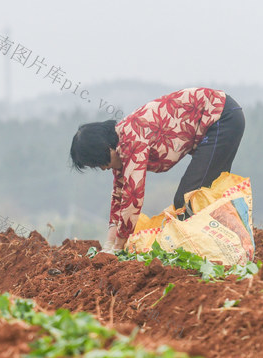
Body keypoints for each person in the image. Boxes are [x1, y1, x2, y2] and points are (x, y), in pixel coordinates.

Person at [70, 87, 244, 253]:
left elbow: (133, 197)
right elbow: (119, 196)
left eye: (99, 163)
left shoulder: (132, 139)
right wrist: (109, 242)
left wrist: (117, 247)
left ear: (106, 148)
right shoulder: (121, 146)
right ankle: (224, 245)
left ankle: (209, 249)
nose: (103, 168)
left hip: (221, 117)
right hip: (218, 119)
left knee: (187, 198)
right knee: (207, 194)